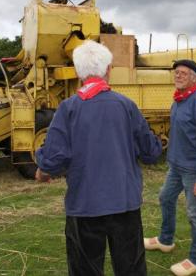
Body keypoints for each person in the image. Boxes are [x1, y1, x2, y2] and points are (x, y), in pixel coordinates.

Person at [35, 40, 162, 276]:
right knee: (131, 269)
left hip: (85, 206)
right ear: (108, 70)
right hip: (124, 203)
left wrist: (42, 170)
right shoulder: (127, 106)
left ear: (78, 72)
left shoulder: (68, 108)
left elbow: (53, 158)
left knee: (85, 269)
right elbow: (151, 152)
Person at [144, 59, 196, 276]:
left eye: (183, 73)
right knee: (165, 197)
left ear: (194, 78)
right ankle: (166, 240)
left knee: (195, 214)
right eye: (176, 72)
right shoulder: (178, 100)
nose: (178, 76)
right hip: (176, 166)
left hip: (193, 169)